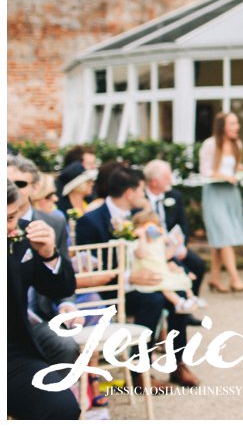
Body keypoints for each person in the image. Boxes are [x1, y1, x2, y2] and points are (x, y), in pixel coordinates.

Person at [74, 162, 200, 388]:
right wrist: (129, 278)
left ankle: (177, 363)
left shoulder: (140, 216)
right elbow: (90, 267)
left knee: (178, 293)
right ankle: (139, 371)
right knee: (153, 300)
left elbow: (156, 247)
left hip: (149, 280)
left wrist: (168, 263)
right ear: (130, 193)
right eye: (142, 191)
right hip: (113, 289)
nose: (144, 195)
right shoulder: (90, 221)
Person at [8, 183, 79, 419]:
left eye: (11, 217)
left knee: (62, 407)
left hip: (12, 354)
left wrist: (49, 254)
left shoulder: (21, 237)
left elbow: (61, 287)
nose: (11, 227)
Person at [200, 111, 243, 293]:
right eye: (233, 124)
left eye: (236, 123)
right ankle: (235, 279)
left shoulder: (237, 144)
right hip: (214, 193)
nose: (237, 127)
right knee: (225, 234)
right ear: (222, 126)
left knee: (220, 238)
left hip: (230, 194)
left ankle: (215, 278)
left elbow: (233, 167)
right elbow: (205, 171)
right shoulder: (209, 145)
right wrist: (225, 176)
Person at [143, 160, 208, 300]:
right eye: (167, 177)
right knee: (179, 270)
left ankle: (191, 301)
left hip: (173, 244)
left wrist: (182, 245)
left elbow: (183, 224)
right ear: (154, 181)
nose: (170, 180)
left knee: (198, 265)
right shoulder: (141, 198)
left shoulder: (174, 196)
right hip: (151, 247)